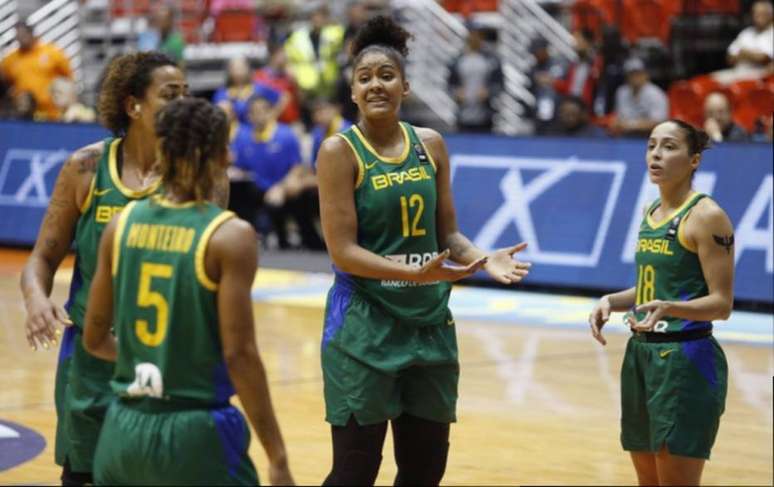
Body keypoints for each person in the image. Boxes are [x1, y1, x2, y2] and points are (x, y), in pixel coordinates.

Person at [316, 16, 531, 485]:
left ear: (405, 86)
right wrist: (414, 274)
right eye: (365, 78)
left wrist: (480, 256)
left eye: (386, 76)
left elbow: (448, 233)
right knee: (355, 471)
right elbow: (344, 251)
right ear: (352, 91)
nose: (376, 85)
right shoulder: (339, 151)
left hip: (429, 325)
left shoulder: (430, 144)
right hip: (364, 327)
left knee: (424, 471)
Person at [18, 52, 224, 486]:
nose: (183, 104)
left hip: (166, 355)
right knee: (83, 475)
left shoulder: (201, 175)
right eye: (170, 95)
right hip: (92, 354)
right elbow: (41, 258)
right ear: (133, 105)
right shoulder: (86, 167)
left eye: (186, 95)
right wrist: (37, 299)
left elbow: (209, 278)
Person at [82, 97, 294, 486]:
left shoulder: (121, 226)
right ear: (221, 154)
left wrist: (154, 367)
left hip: (121, 431)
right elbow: (240, 355)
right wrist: (277, 456)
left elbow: (94, 338)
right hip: (196, 434)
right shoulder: (231, 235)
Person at [588, 120, 733, 486]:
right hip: (641, 356)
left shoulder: (707, 216)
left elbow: (721, 303)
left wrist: (671, 309)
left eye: (669, 147)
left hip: (685, 360)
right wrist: (610, 301)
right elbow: (652, 290)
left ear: (694, 159)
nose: (656, 154)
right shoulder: (650, 212)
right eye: (652, 145)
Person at [232, 93, 321, 249]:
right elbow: (239, 166)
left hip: (284, 189)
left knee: (300, 194)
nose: (258, 115)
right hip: (259, 191)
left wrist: (281, 188)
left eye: (262, 110)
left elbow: (297, 167)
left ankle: (308, 239)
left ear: (270, 112)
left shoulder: (286, 135)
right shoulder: (243, 138)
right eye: (253, 112)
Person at [0, 21, 73, 120]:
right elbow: (4, 83)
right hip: (23, 114)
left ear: (31, 34)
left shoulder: (52, 53)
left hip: (51, 113)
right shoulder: (11, 59)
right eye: (18, 36)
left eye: (23, 35)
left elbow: (68, 79)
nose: (20, 38)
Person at [448, 27, 503, 133]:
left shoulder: (492, 60)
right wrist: (457, 93)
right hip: (463, 114)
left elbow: (499, 84)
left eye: (477, 36)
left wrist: (489, 92)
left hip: (485, 115)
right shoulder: (458, 60)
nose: (475, 38)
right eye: (472, 35)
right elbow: (450, 84)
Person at [713, 0, 773, 84]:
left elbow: (764, 59)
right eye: (756, 13)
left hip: (759, 75)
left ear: (771, 15)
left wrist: (743, 53)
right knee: (712, 80)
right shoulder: (746, 33)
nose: (758, 17)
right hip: (738, 71)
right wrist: (752, 55)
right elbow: (730, 58)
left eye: (762, 14)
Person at [213, 56, 284, 125]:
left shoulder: (259, 88)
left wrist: (270, 117)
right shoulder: (222, 93)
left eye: (241, 67)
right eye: (234, 68)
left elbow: (283, 97)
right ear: (229, 71)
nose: (238, 72)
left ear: (248, 69)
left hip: (256, 134)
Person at [611, 57, 669, 137]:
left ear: (646, 75)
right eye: (632, 74)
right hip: (626, 138)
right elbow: (618, 119)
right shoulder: (621, 92)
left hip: (651, 139)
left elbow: (658, 124)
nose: (635, 77)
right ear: (626, 76)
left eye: (638, 73)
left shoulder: (656, 94)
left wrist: (629, 125)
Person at [253, 44, 301, 124]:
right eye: (281, 54)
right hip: (269, 124)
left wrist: (295, 81)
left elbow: (299, 100)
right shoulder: (260, 75)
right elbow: (258, 102)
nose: (285, 58)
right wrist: (278, 107)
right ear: (272, 56)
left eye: (285, 55)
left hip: (291, 122)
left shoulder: (290, 76)